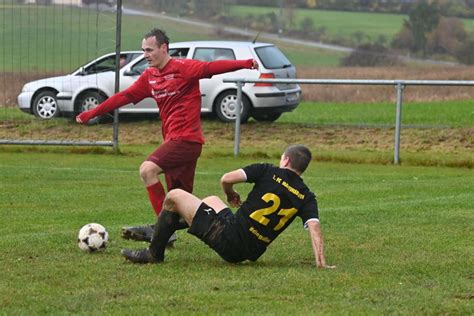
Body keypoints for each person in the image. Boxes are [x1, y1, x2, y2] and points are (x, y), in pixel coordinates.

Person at [76, 28, 259, 244]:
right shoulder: (149, 77)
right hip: (176, 142)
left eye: (150, 50)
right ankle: (223, 227)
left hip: (186, 140)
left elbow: (211, 68)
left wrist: (245, 63)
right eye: (143, 50)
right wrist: (92, 112)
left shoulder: (184, 68)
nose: (145, 54)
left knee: (147, 170)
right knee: (178, 203)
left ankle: (162, 232)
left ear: (164, 48)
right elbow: (124, 96)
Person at [121, 145, 336, 269]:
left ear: (286, 160)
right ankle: (162, 229)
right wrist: (321, 262)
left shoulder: (268, 170)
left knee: (173, 197)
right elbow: (314, 227)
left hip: (229, 238)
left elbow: (226, 178)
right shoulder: (307, 196)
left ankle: (154, 252)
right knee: (212, 200)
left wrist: (230, 193)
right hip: (250, 249)